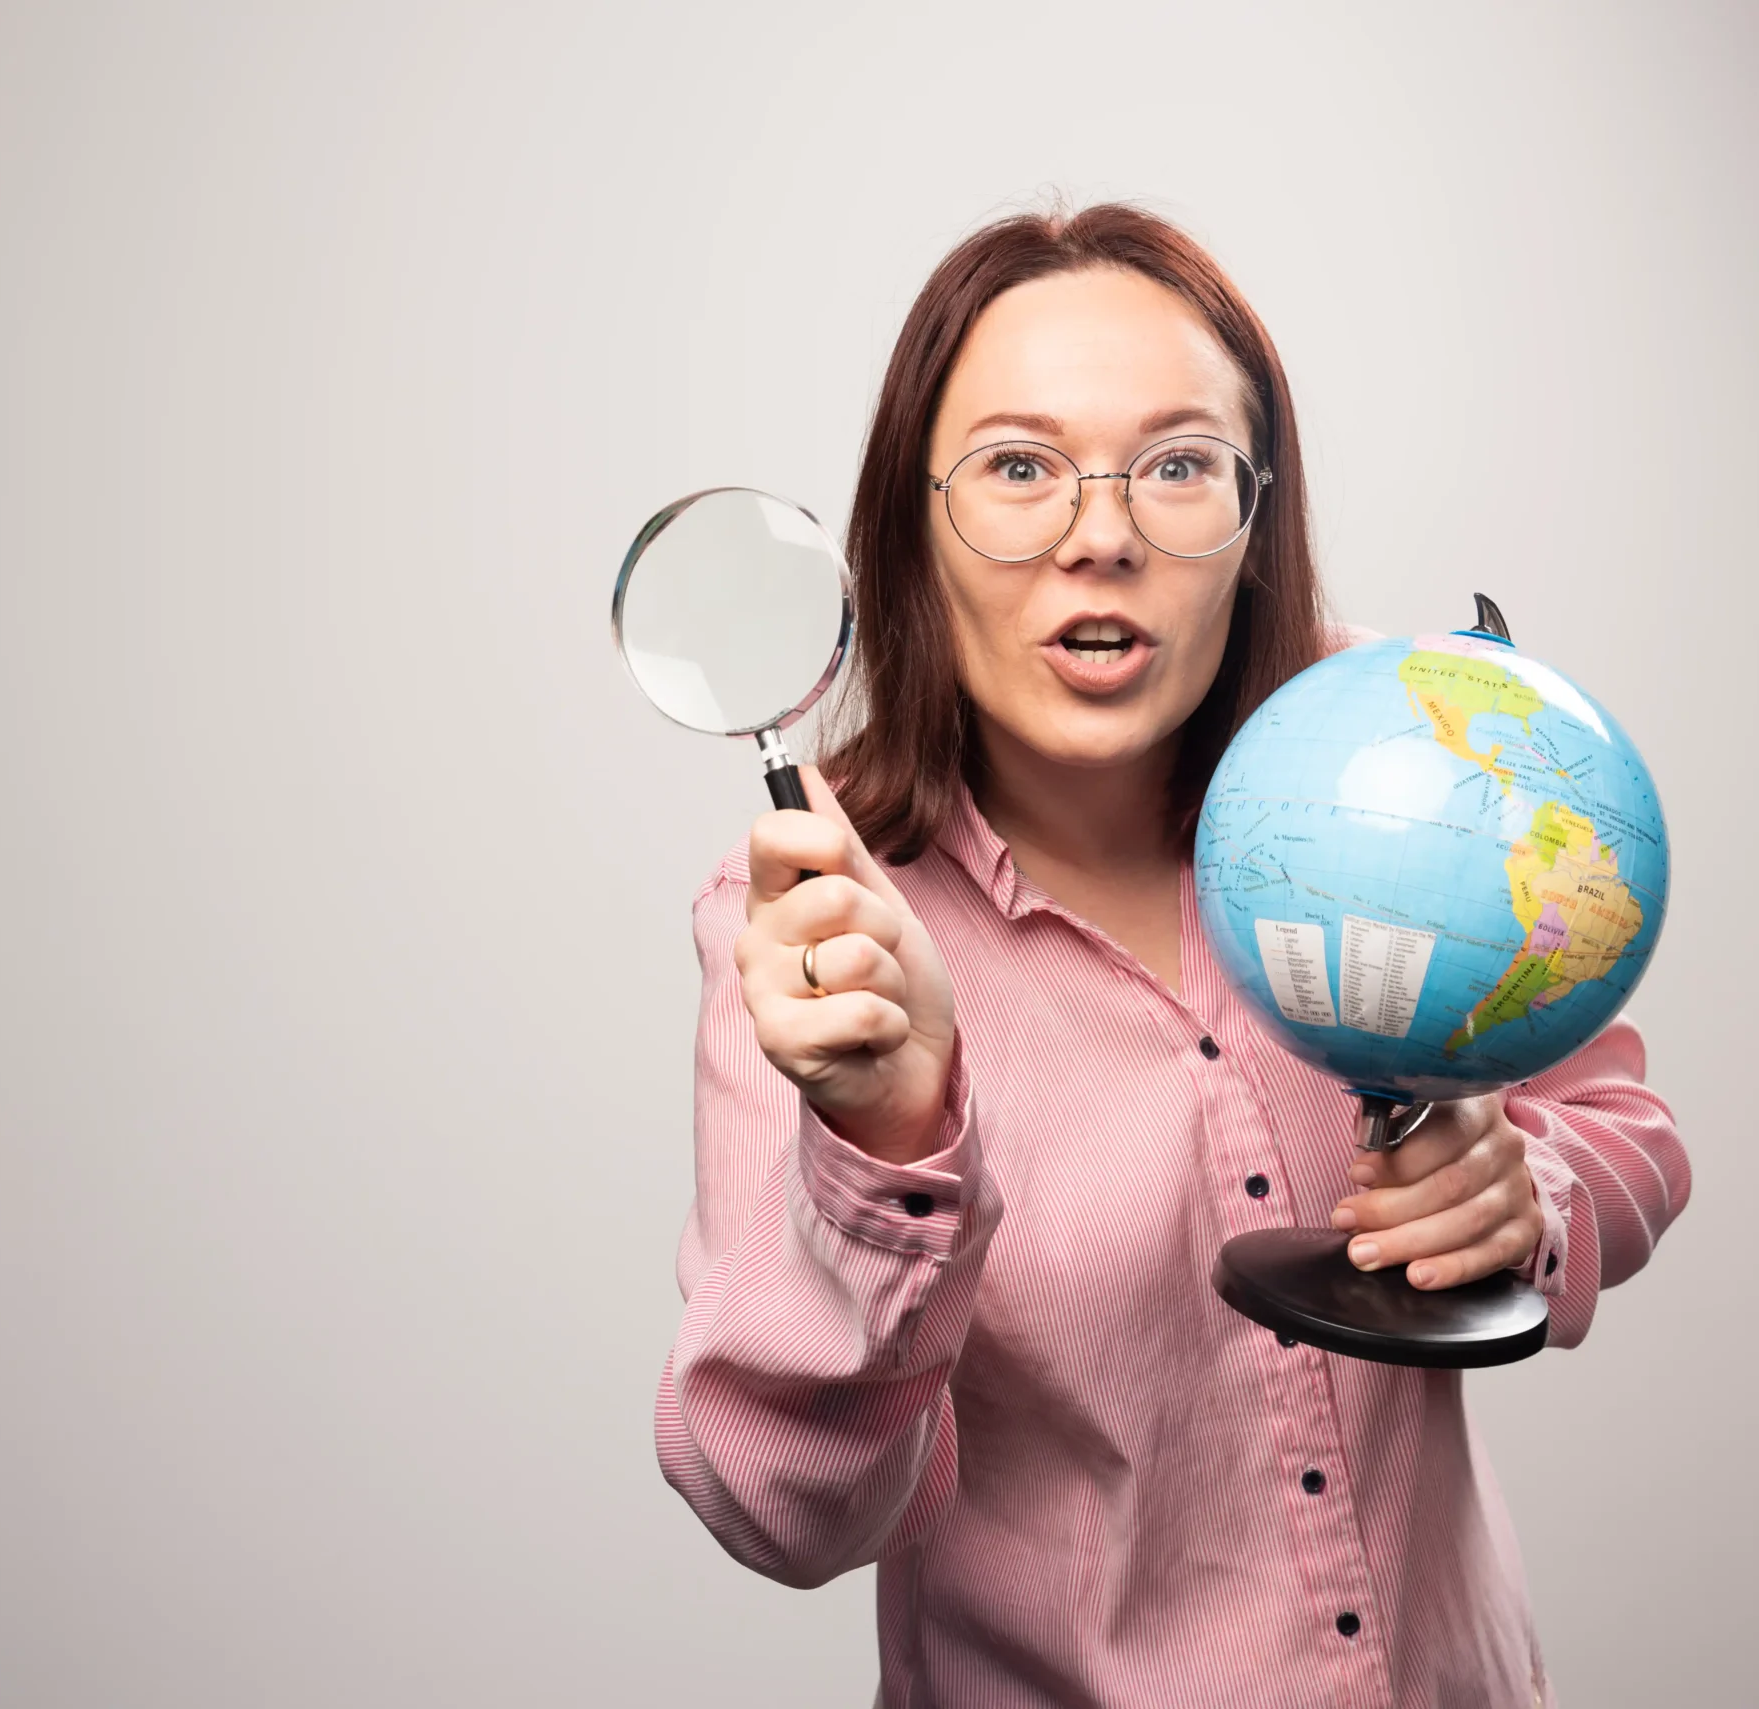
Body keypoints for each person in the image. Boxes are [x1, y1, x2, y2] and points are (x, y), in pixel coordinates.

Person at [654, 204, 1688, 1709]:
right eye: (1019, 467)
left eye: (1179, 465)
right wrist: (885, 1146)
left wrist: (1527, 1191)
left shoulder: (1395, 745)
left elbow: (1626, 1129)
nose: (1102, 535)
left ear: (1255, 521)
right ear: (912, 528)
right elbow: (783, 1512)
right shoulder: (818, 936)